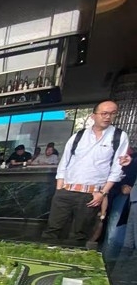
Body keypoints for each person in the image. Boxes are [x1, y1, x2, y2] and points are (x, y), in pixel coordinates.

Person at [41, 100, 130, 246]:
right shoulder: (78, 136)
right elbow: (64, 161)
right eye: (104, 113)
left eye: (112, 113)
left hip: (92, 194)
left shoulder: (119, 136)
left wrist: (103, 193)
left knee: (80, 235)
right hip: (66, 190)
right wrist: (59, 188)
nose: (108, 117)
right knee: (52, 230)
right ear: (93, 116)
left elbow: (117, 168)